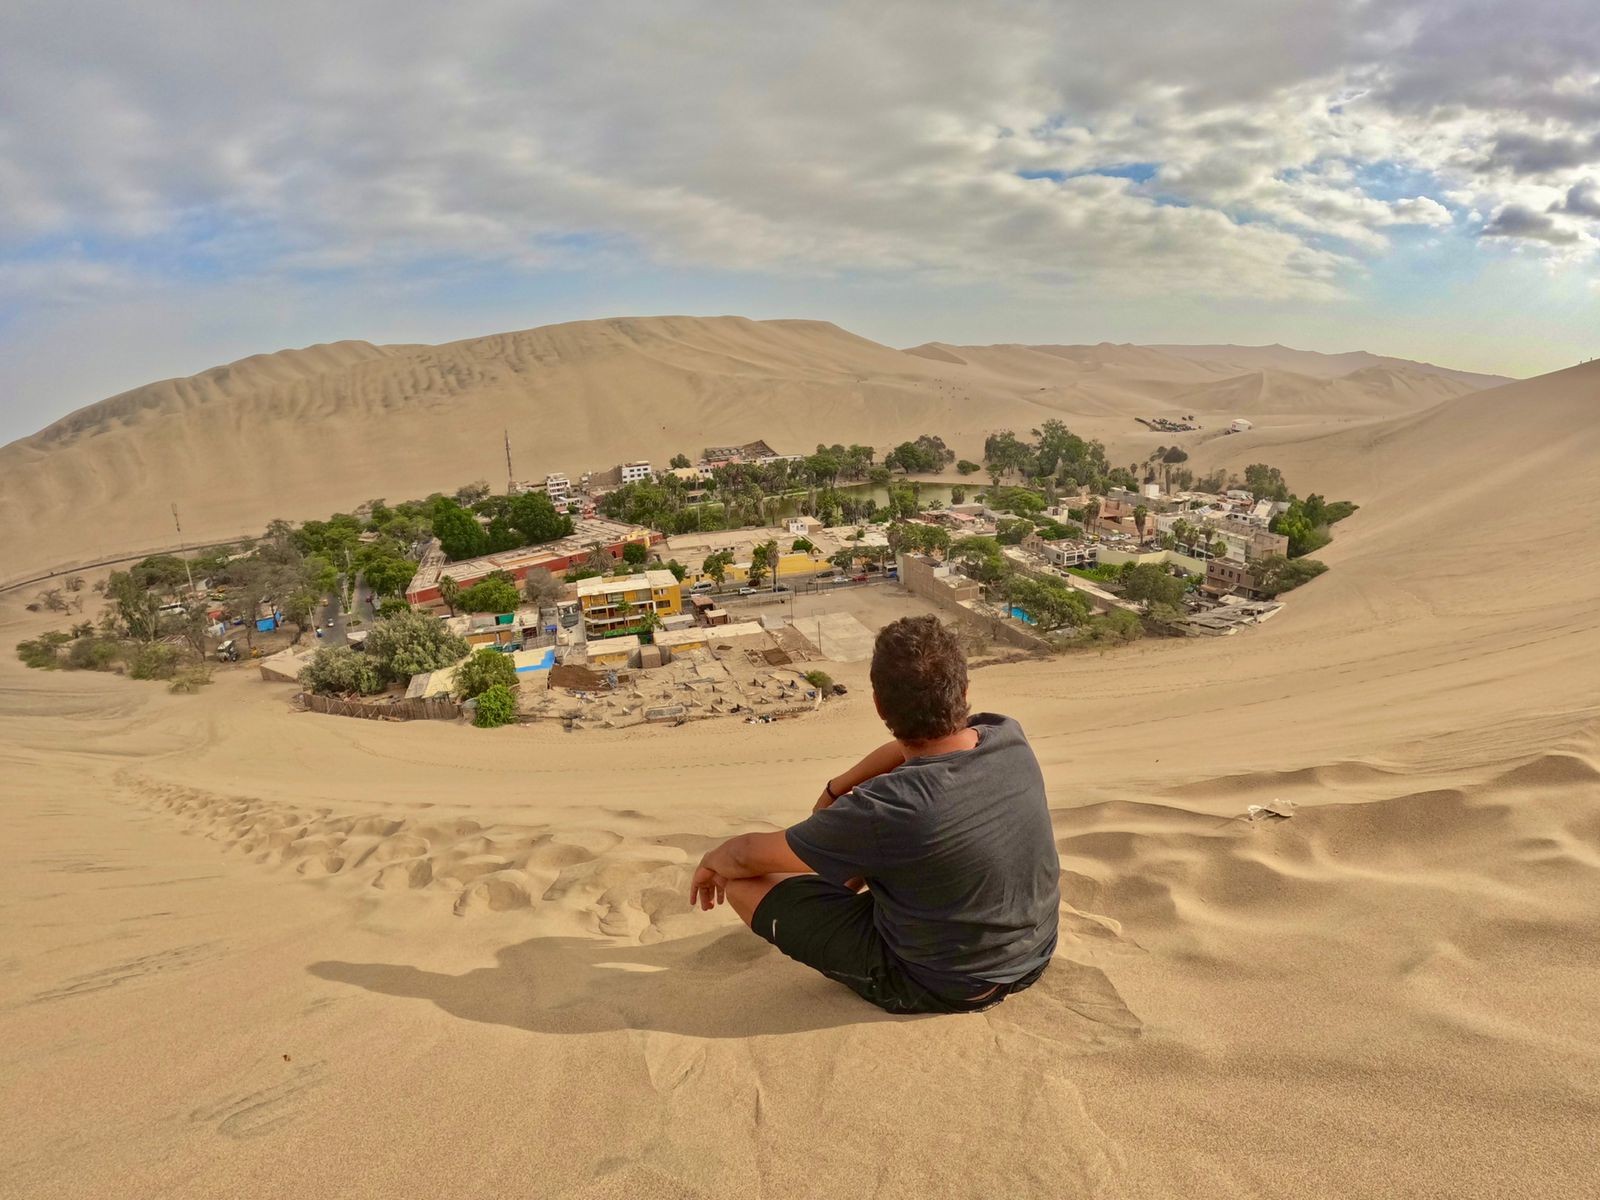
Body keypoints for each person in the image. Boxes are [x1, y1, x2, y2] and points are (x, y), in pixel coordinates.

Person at [689, 614, 1059, 1014]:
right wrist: (838, 786)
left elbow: (745, 855)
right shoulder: (1006, 735)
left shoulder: (889, 807)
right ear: (964, 691)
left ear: (879, 704)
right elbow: (918, 749)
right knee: (884, 843)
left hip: (945, 984)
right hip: (1034, 952)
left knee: (739, 881)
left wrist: (712, 863)